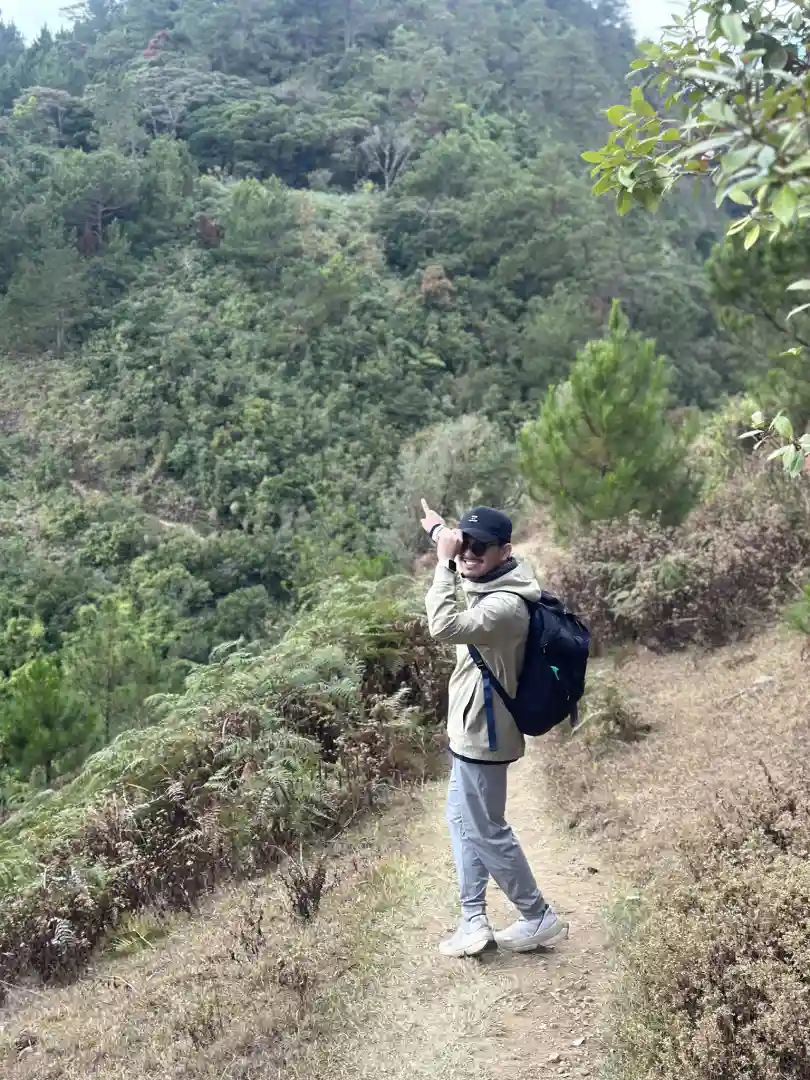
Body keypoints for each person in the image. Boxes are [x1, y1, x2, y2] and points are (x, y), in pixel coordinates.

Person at [420, 499, 569, 958]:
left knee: (485, 829)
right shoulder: (494, 578)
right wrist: (439, 533)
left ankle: (537, 915)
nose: (469, 553)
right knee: (462, 821)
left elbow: (442, 626)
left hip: (484, 732)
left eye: (481, 548)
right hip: (472, 728)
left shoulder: (505, 606)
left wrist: (444, 562)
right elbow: (464, 558)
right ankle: (473, 919)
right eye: (465, 544)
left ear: (506, 551)